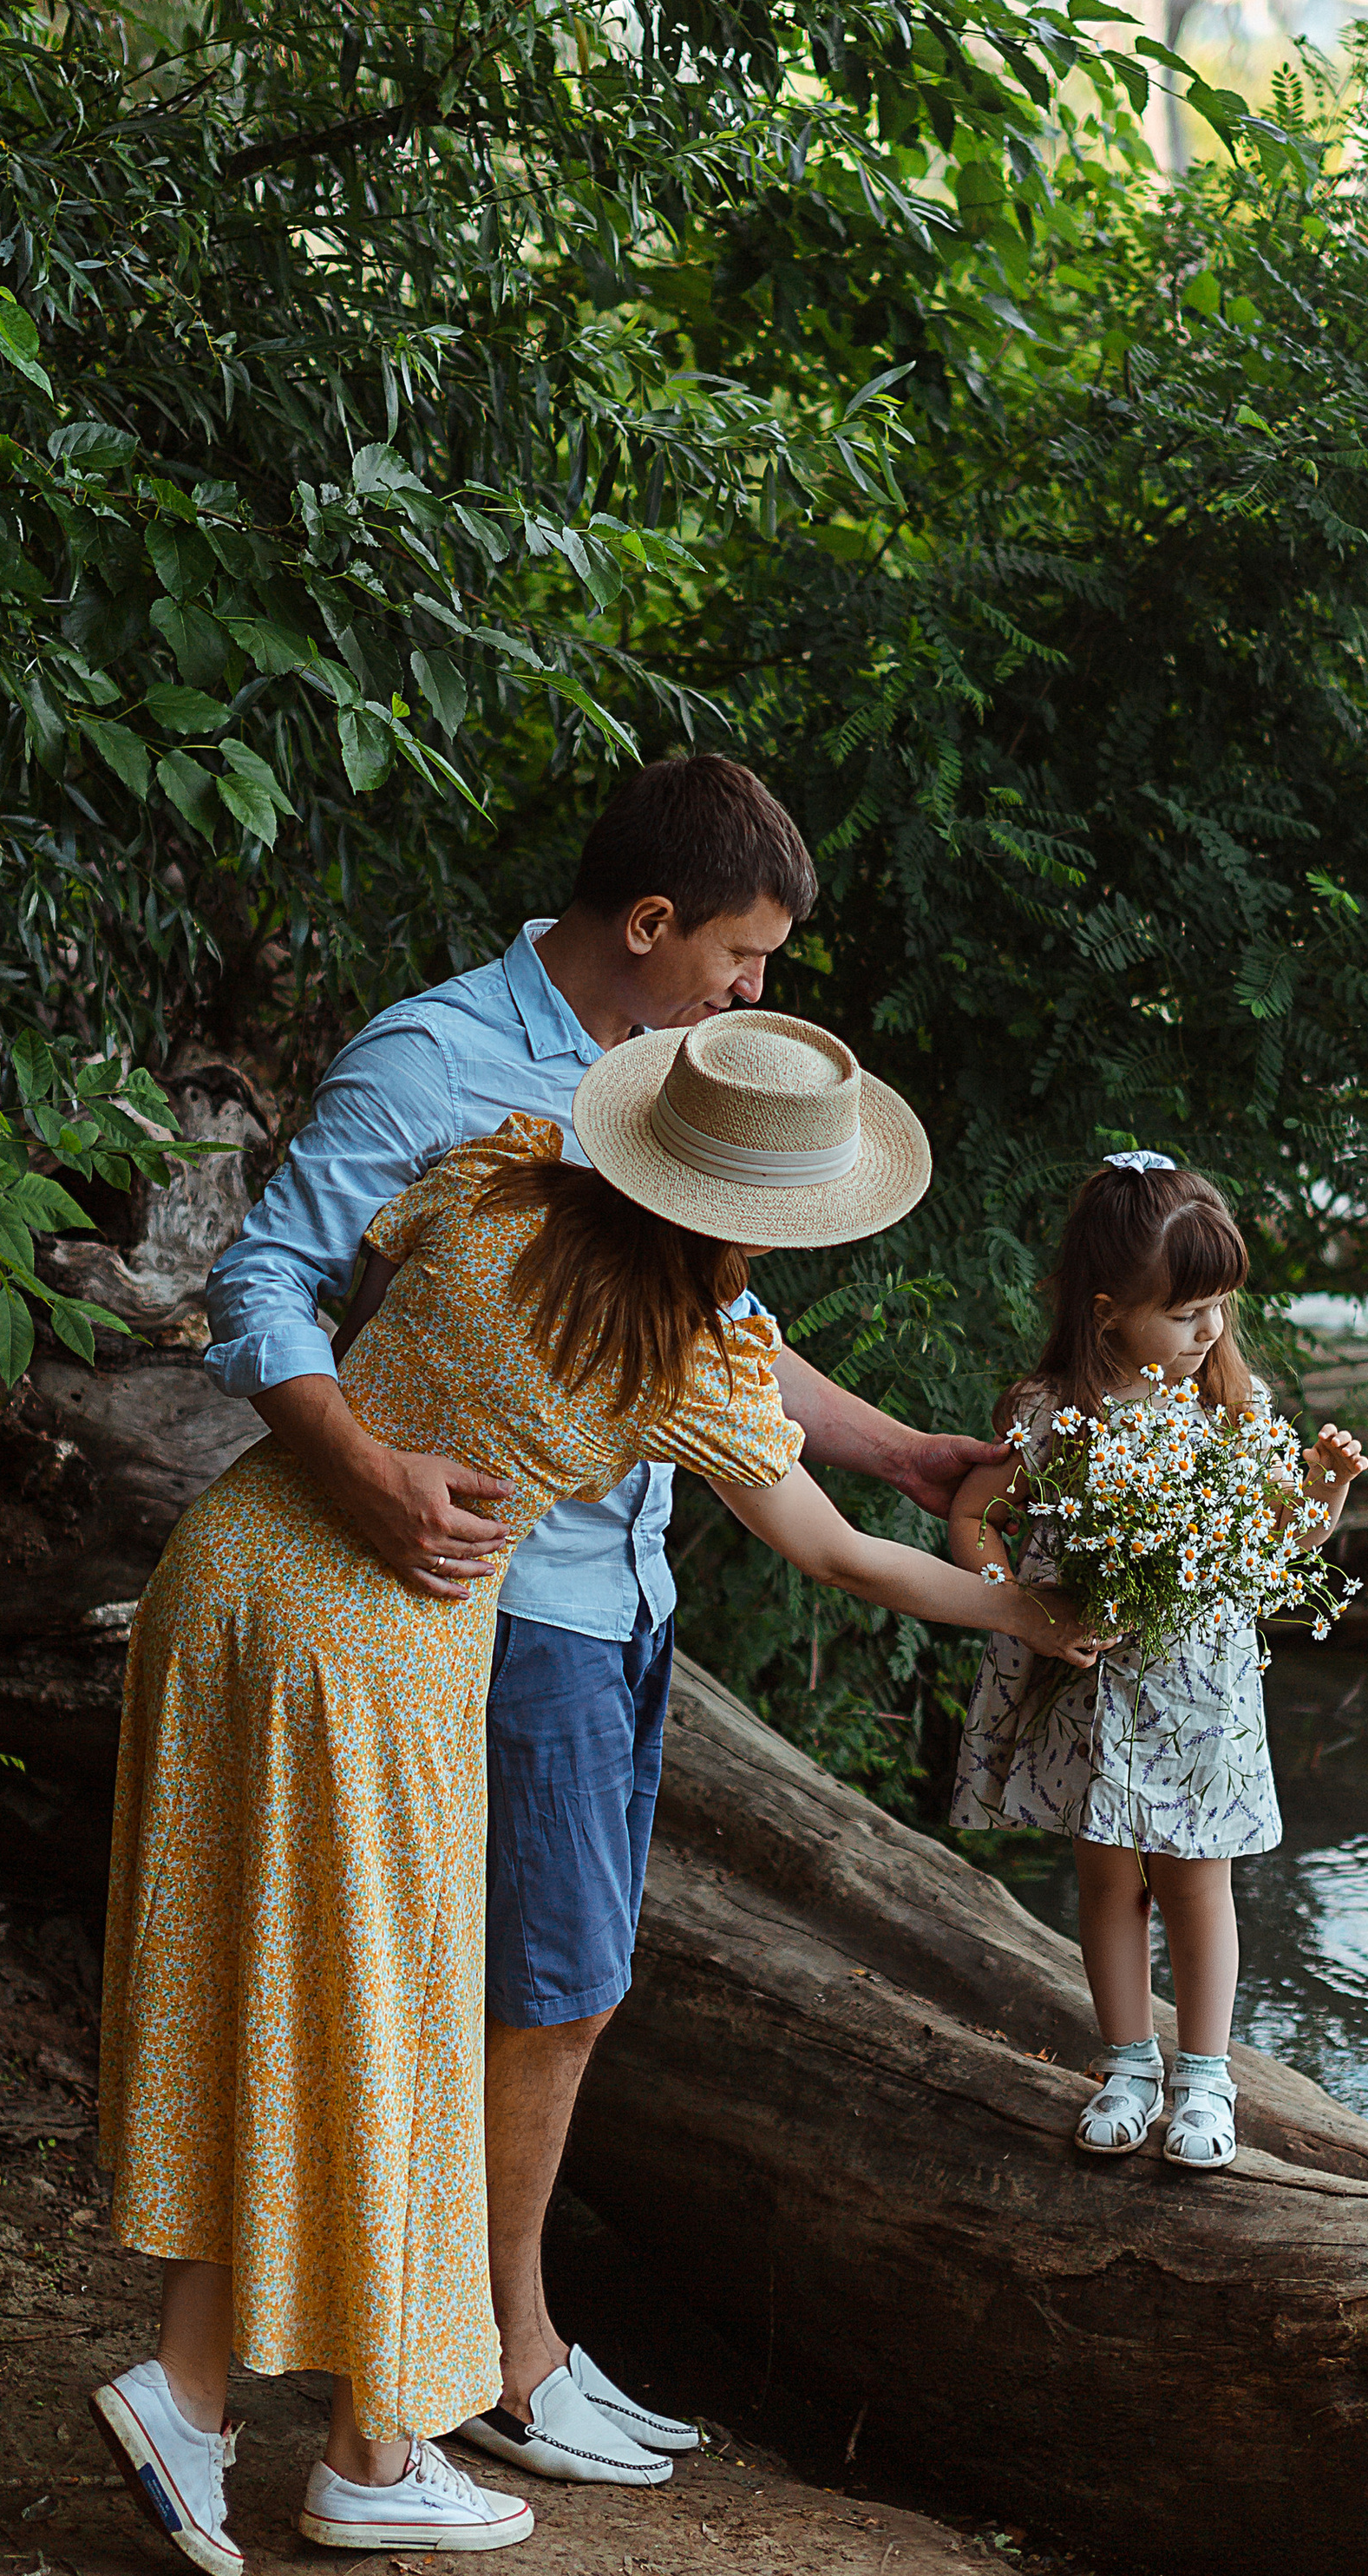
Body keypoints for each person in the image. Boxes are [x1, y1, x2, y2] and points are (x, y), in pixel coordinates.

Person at [95, 1007, 1101, 2576]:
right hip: (376, 1649)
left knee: (269, 1997)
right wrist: (1027, 1614)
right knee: (387, 2026)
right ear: (748, 1218)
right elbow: (835, 1549)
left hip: (234, 1572)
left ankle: (199, 2394)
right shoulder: (672, 1352)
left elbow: (367, 1288)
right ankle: (371, 2447)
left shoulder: (507, 1177)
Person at [200, 756, 997, 2487]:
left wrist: (907, 1457)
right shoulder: (438, 1064)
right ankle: (492, 2353)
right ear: (648, 924)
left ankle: (483, 2337)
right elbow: (262, 1278)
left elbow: (724, 1337)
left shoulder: (674, 1086)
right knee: (526, 1992)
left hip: (627, 1590)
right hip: (481, 1606)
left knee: (560, 1992)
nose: (755, 994)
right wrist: (364, 1465)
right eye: (742, 958)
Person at [944, 1152, 1366, 2173]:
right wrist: (1018, 1597)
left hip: (1195, 1695)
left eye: (1221, 1305)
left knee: (1195, 1878)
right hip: (1087, 1689)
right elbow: (972, 1513)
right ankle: (1128, 2063)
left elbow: (1280, 1545)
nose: (1210, 1330)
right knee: (1105, 1877)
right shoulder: (1047, 1412)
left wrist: (1323, 1488)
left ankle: (1206, 2075)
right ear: (1107, 1313)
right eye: (1186, 1312)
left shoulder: (1229, 1408)